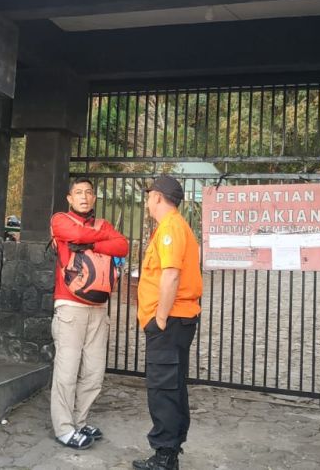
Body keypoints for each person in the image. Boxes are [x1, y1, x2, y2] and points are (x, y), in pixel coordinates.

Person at [49, 178, 128, 450]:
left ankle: (79, 421)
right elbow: (77, 235)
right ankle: (63, 428)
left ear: (94, 198)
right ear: (69, 198)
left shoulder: (102, 224)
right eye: (78, 193)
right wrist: (100, 239)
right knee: (67, 371)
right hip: (70, 306)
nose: (84, 197)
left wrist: (91, 244)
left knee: (94, 372)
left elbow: (122, 246)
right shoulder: (60, 220)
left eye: (89, 192)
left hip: (99, 308)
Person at [134, 175, 202, 470]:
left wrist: (159, 318)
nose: (147, 201)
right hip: (177, 321)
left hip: (169, 321)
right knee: (172, 386)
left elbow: (171, 275)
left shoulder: (170, 229)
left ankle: (164, 456)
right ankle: (170, 452)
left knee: (162, 388)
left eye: (149, 195)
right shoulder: (173, 226)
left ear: (158, 197)